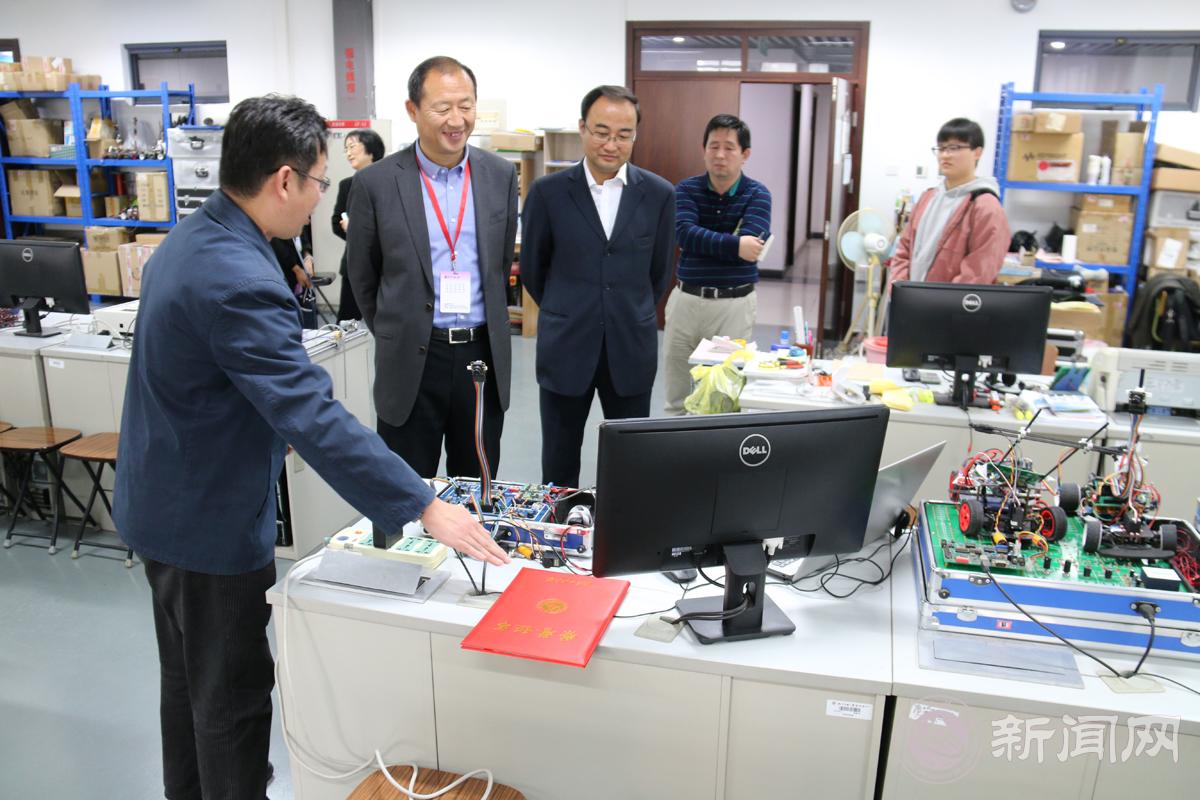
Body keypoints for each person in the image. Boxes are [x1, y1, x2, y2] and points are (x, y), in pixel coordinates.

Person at [113, 94, 508, 800]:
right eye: (321, 182)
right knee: (231, 700)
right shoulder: (239, 276)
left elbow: (224, 385)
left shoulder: (193, 237)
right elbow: (312, 416)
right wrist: (422, 505)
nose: (321, 199)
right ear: (284, 180)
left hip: (161, 506)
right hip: (208, 527)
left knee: (187, 690)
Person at [347, 56, 518, 479]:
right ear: (413, 110)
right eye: (443, 108)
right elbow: (363, 276)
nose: (457, 120)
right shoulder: (376, 183)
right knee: (405, 487)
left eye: (466, 105)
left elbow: (499, 267)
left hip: (480, 356)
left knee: (477, 486)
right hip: (411, 355)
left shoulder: (499, 175)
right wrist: (396, 328)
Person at [520, 85, 676, 487]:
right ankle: (561, 523)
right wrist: (568, 307)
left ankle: (624, 526)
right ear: (582, 129)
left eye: (623, 135)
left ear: (635, 135)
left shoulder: (659, 195)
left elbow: (658, 274)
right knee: (559, 460)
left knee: (631, 462)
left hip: (630, 346)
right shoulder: (548, 193)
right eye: (601, 132)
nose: (611, 144)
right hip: (566, 345)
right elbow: (534, 271)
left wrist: (624, 307)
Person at [663, 113, 772, 415]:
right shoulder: (686, 190)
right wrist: (735, 244)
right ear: (704, 150)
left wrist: (708, 242)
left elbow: (752, 246)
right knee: (676, 397)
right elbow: (685, 234)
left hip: (733, 307)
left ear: (745, 154)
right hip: (686, 302)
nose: (720, 155)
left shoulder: (758, 194)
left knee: (724, 398)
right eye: (713, 146)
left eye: (729, 147)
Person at [889, 117, 1010, 285]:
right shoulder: (927, 198)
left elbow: (979, 271)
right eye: (941, 148)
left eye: (954, 148)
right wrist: (900, 288)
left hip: (950, 301)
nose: (945, 155)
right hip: (911, 297)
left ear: (977, 152)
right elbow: (903, 248)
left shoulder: (985, 206)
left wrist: (944, 299)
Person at [331, 128, 384, 321]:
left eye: (352, 146)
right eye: (346, 149)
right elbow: (336, 223)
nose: (348, 153)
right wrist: (353, 233)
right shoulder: (347, 185)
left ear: (371, 148)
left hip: (386, 265)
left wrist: (357, 230)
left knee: (387, 322)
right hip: (354, 264)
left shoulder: (390, 183)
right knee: (347, 322)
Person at [269, 223, 317, 328]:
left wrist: (308, 257)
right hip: (285, 270)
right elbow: (277, 245)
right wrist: (296, 269)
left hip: (300, 266)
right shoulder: (276, 222)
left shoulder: (300, 221)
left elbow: (303, 239)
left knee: (307, 307)